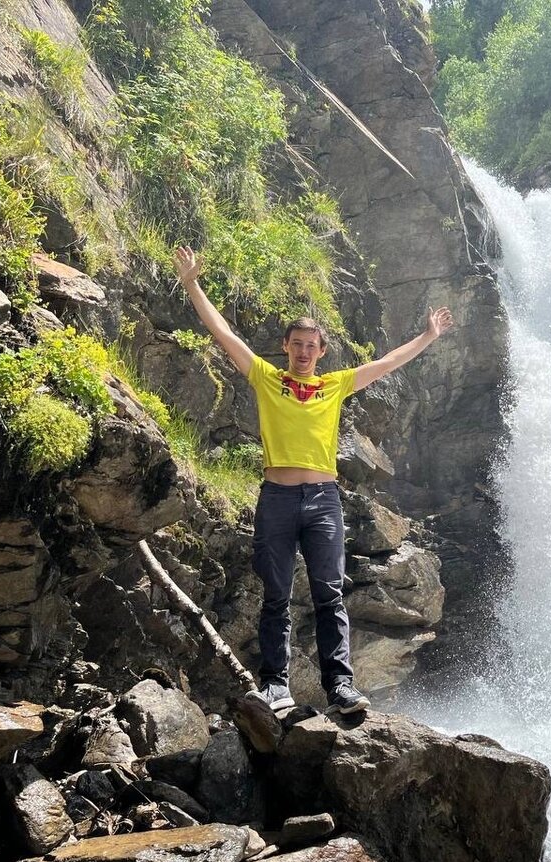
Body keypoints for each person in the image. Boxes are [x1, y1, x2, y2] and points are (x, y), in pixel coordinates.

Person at [172, 246, 454, 714]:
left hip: (323, 499)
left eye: (311, 346)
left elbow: (387, 363)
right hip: (277, 498)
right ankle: (275, 685)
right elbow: (224, 334)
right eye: (296, 344)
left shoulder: (334, 385)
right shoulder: (266, 378)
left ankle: (341, 687)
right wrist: (191, 283)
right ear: (286, 348)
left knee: (329, 593)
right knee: (277, 594)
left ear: (322, 352)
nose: (304, 352)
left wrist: (427, 335)